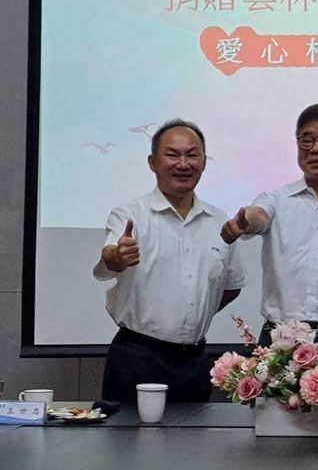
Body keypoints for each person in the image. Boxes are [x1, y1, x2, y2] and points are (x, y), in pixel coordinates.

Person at [94, 119, 245, 403]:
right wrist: (117, 256)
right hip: (137, 357)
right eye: (172, 155)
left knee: (194, 432)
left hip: (194, 361)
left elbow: (231, 287)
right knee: (128, 432)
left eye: (192, 155)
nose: (183, 164)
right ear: (153, 162)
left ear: (204, 162)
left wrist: (189, 314)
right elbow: (111, 258)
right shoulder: (129, 215)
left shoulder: (219, 221)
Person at [221, 103, 318, 349]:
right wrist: (245, 221)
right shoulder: (276, 200)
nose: (315, 149)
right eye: (306, 140)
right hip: (280, 340)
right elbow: (258, 216)